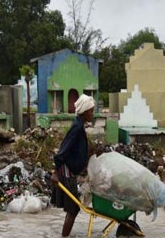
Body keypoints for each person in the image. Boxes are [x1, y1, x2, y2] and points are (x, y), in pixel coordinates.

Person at [50, 94, 95, 237]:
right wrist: (55, 172)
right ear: (84, 112)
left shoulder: (79, 126)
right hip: (66, 172)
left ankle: (65, 235)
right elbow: (62, 151)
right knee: (74, 209)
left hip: (70, 171)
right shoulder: (76, 127)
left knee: (72, 209)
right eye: (91, 111)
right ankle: (64, 236)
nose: (92, 114)